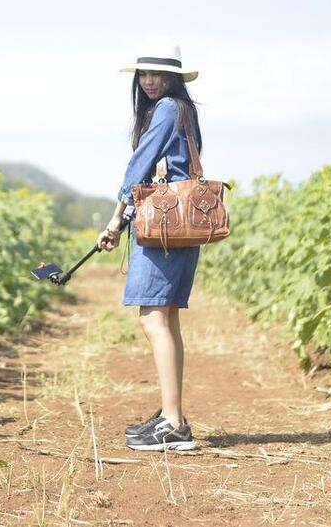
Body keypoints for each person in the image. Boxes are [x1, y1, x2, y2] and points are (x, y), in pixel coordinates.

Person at [97, 36, 202, 452]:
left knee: (152, 319)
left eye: (159, 74)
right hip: (179, 225)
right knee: (167, 320)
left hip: (162, 227)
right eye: (145, 74)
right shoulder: (184, 111)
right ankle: (170, 414)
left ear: (174, 79)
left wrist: (116, 218)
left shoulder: (165, 110)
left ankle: (173, 423)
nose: (150, 81)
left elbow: (138, 164)